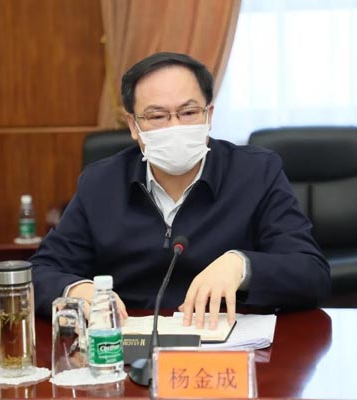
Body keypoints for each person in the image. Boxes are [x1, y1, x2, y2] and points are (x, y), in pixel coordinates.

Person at [30, 52, 330, 330]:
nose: (175, 127)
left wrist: (243, 266)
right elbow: (40, 271)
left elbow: (311, 273)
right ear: (133, 126)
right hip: (128, 345)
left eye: (188, 112)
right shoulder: (101, 183)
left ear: (209, 115)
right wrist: (76, 290)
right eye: (157, 116)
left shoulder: (256, 173)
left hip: (229, 344)